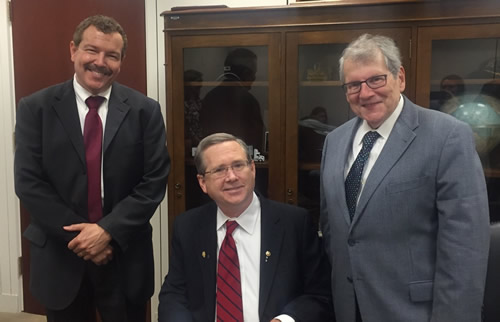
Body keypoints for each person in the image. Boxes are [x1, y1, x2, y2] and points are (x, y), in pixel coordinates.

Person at [320, 33, 489, 322]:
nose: (365, 93)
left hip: (415, 312)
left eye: (376, 79)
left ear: (400, 77)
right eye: (354, 85)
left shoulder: (447, 136)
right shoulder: (334, 142)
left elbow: (465, 249)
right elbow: (334, 231)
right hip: (348, 309)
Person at [14, 15, 170, 322]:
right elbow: (29, 182)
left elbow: (154, 181)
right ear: (73, 50)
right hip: (61, 254)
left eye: (111, 55)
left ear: (121, 61)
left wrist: (107, 231)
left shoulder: (145, 111)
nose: (100, 62)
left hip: (125, 253)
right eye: (91, 50)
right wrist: (84, 239)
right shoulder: (35, 108)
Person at [158, 133, 333, 322]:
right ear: (202, 183)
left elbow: (319, 294)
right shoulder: (188, 227)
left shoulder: (294, 223)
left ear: (252, 169)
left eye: (238, 165)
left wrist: (286, 320)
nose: (232, 177)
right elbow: (174, 295)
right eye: (219, 170)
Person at [200, 48, 265, 151]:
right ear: (246, 73)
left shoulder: (209, 97)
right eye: (253, 73)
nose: (254, 78)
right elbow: (257, 141)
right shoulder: (249, 101)